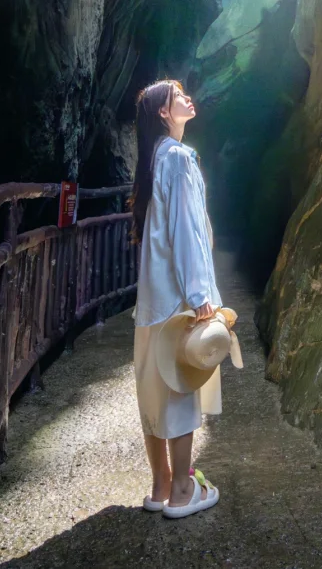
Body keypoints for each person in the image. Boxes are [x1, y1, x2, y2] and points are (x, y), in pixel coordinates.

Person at [129, 78, 223, 517]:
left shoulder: (153, 162)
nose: (187, 98)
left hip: (152, 297)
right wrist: (201, 294)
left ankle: (160, 483)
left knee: (152, 386)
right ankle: (184, 491)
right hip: (179, 296)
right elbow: (187, 232)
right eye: (177, 95)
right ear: (164, 113)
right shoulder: (180, 159)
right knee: (181, 386)